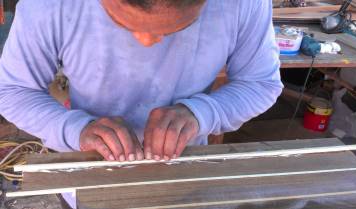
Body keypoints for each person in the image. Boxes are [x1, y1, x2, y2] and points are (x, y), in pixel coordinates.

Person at [0, 0, 282, 164]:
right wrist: (75, 129)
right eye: (121, 22)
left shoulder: (243, 3)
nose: (147, 43)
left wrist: (202, 113)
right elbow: (12, 90)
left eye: (176, 28)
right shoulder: (50, 4)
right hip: (88, 165)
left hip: (185, 163)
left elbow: (260, 83)